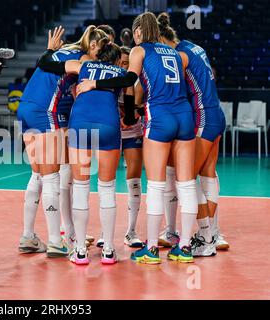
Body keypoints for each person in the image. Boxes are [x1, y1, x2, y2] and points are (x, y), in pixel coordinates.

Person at [77, 12, 198, 264]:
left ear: (139, 32)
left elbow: (130, 79)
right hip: (185, 115)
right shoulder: (175, 53)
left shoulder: (139, 50)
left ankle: (151, 249)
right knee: (186, 184)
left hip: (161, 117)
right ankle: (184, 247)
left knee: (155, 184)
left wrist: (94, 84)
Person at [38, 31, 136, 265]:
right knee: (107, 188)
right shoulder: (121, 71)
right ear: (114, 60)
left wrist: (51, 49)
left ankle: (80, 250)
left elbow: (45, 65)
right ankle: (109, 250)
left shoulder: (82, 64)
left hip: (80, 123)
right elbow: (130, 81)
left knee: (81, 187)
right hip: (108, 124)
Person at [17, 26, 107, 257]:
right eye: (100, 52)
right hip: (44, 110)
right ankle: (57, 241)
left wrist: (49, 50)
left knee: (37, 174)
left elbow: (45, 63)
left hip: (25, 105)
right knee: (51, 176)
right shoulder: (84, 59)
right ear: (94, 46)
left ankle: (28, 236)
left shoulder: (65, 50)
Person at [157, 12, 228, 256]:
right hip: (216, 112)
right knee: (208, 175)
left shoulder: (178, 56)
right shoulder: (194, 47)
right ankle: (212, 233)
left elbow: (170, 87)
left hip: (203, 116)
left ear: (161, 40)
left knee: (185, 178)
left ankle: (206, 237)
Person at [96, 46, 144, 249]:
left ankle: (131, 231)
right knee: (107, 181)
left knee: (133, 178)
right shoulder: (109, 80)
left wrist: (133, 114)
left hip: (132, 131)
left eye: (127, 63)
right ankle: (104, 232)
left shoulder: (136, 81)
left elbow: (139, 106)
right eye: (122, 62)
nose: (124, 66)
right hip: (112, 131)